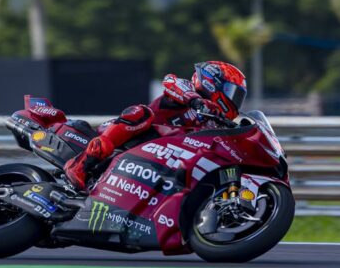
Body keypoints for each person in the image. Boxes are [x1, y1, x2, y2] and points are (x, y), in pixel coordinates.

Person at [63, 61, 248, 190]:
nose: (235, 101)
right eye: (232, 92)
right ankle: (81, 164)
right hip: (133, 136)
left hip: (156, 164)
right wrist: (196, 101)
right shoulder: (187, 89)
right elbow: (170, 80)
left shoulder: (212, 122)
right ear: (211, 82)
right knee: (142, 113)